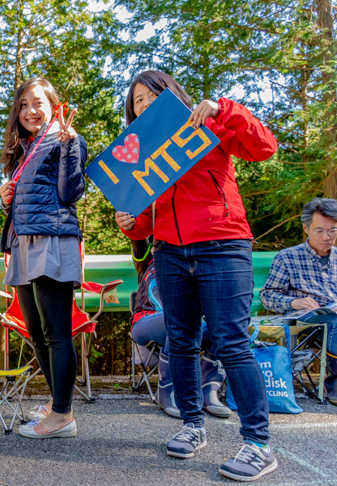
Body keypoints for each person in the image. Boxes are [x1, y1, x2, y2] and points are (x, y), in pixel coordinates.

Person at [115, 70, 278, 481]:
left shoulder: (208, 123)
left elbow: (264, 148)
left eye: (154, 95)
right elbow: (144, 226)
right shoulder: (139, 158)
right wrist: (129, 222)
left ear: (175, 96)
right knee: (181, 342)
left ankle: (258, 444)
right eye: (138, 101)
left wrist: (224, 108)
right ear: (132, 113)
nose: (146, 104)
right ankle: (192, 426)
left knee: (232, 343)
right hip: (170, 253)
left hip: (223, 245)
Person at [0, 77, 87, 439]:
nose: (31, 111)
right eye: (23, 105)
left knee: (56, 332)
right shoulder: (26, 147)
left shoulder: (65, 139)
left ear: (54, 106)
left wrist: (68, 147)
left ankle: (63, 416)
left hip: (52, 240)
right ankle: (57, 402)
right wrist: (8, 198)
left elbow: (70, 193)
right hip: (23, 244)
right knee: (36, 332)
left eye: (38, 103)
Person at [260, 197, 337, 406]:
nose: (327, 237)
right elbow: (267, 296)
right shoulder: (287, 257)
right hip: (302, 322)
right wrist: (295, 303)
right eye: (319, 230)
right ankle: (335, 386)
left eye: (332, 230)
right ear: (306, 228)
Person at [131, 259, 231, 419]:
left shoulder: (199, 258)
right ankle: (166, 390)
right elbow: (135, 235)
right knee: (179, 316)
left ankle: (208, 390)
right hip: (147, 320)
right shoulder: (148, 254)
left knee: (224, 327)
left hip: (189, 321)